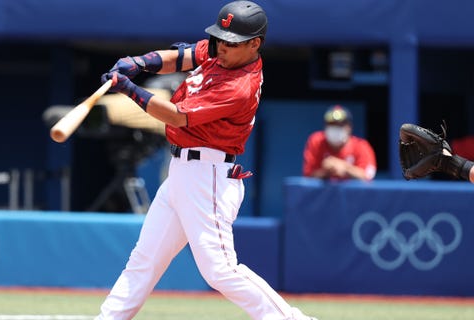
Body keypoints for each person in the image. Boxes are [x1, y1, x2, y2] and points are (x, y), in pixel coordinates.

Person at [95, 1, 316, 319]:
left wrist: (129, 89)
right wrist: (138, 62)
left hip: (208, 176)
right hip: (182, 172)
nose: (222, 47)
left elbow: (177, 116)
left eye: (232, 42)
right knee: (145, 258)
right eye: (221, 39)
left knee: (221, 271)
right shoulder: (220, 49)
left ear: (255, 44)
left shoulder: (240, 86)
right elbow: (180, 57)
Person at [302, 105, 377, 181]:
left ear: (349, 127)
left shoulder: (361, 146)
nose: (335, 128)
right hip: (323, 193)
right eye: (332, 124)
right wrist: (327, 171)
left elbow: (368, 175)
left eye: (340, 125)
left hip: (352, 193)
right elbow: (308, 175)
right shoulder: (316, 141)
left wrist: (345, 167)